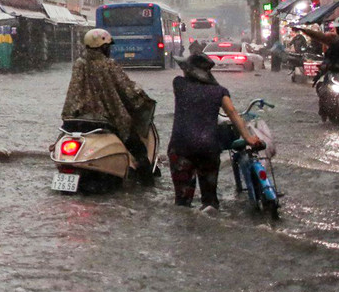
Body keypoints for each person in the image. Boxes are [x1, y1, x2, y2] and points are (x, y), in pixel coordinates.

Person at [168, 53, 262, 210]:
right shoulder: (219, 91)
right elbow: (232, 113)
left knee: (182, 203)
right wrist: (248, 137)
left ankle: (186, 231)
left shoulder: (179, 84)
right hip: (208, 148)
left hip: (181, 147)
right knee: (210, 201)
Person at [61, 28, 157, 183]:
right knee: (139, 150)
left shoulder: (79, 64)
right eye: (108, 47)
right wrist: (141, 98)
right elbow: (127, 88)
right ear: (103, 47)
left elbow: (74, 91)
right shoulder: (108, 65)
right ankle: (146, 185)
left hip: (79, 120)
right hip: (108, 119)